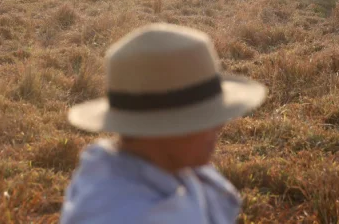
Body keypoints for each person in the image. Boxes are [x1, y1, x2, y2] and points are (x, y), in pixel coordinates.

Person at [60, 23, 268, 224]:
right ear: (164, 127)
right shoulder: (127, 216)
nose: (220, 125)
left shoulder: (170, 167)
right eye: (206, 117)